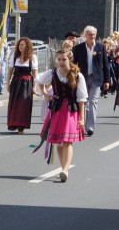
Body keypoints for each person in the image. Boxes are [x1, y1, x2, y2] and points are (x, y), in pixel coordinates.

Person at [35, 49, 87, 182]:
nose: (61, 62)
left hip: (71, 110)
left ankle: (65, 170)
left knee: (67, 142)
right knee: (58, 142)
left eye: (64, 59)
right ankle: (64, 168)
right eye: (59, 59)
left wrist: (82, 119)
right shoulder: (52, 73)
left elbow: (81, 99)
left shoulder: (78, 76)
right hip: (57, 109)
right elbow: (39, 80)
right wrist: (45, 94)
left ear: (69, 60)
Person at [71, 25, 109, 137]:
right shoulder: (79, 48)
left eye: (93, 35)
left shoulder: (101, 47)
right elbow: (74, 64)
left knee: (93, 101)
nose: (92, 36)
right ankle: (82, 124)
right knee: (84, 102)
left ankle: (90, 127)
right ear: (85, 35)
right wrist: (73, 78)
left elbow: (106, 64)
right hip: (83, 78)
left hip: (96, 78)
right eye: (90, 35)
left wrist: (107, 80)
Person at [6, 37, 38, 133]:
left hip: (26, 83)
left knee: (24, 103)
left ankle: (21, 127)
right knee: (14, 103)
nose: (20, 46)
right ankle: (14, 124)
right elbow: (10, 71)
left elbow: (35, 73)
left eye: (22, 45)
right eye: (19, 44)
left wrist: (34, 86)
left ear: (27, 46)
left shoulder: (32, 57)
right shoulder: (14, 56)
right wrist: (7, 84)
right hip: (16, 82)